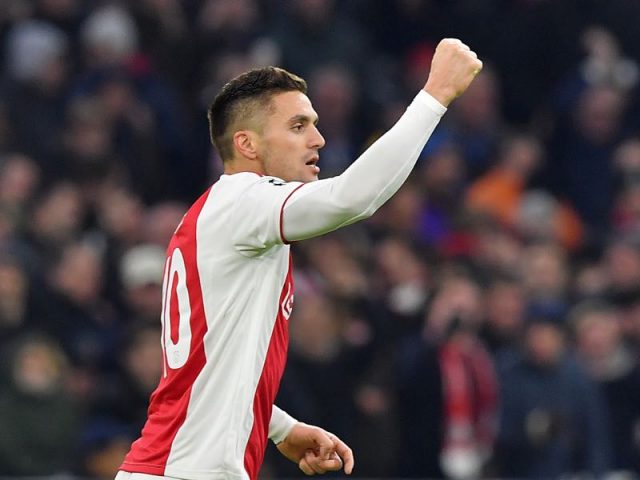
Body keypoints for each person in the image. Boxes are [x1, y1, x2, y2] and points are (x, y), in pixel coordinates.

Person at [117, 38, 482, 480]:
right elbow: (352, 198)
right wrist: (435, 96)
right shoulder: (243, 200)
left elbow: (209, 368)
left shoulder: (221, 216)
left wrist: (280, 427)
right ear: (247, 144)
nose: (318, 138)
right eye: (297, 126)